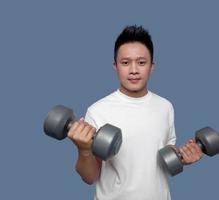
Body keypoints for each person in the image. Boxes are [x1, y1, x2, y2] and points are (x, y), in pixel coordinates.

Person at [67, 25, 203, 200]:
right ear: (115, 66)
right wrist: (84, 151)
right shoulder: (98, 110)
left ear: (151, 66)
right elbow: (90, 177)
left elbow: (165, 156)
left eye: (141, 62)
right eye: (125, 63)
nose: (133, 70)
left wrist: (183, 158)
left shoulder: (165, 106)